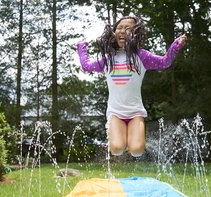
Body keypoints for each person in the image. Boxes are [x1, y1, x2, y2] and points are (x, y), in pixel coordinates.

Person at [77, 16, 186, 157]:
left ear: (136, 34)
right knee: (116, 149)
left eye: (128, 29)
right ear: (113, 32)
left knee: (136, 151)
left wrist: (176, 45)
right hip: (115, 113)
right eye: (120, 28)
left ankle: (132, 138)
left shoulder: (142, 56)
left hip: (135, 113)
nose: (123, 31)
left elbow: (165, 62)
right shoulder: (108, 59)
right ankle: (118, 136)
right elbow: (86, 66)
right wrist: (81, 46)